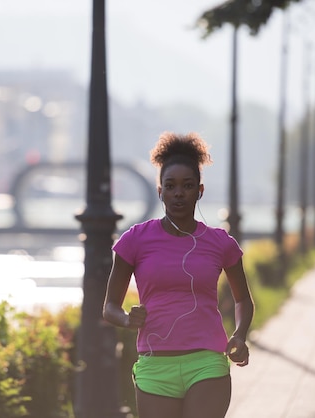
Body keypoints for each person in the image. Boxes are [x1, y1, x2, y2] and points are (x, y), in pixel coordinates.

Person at [103, 132, 254, 418]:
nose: (178, 193)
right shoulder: (135, 240)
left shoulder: (221, 243)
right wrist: (126, 318)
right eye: (170, 186)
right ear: (160, 192)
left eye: (187, 186)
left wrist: (239, 334)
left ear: (200, 190)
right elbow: (109, 306)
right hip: (154, 366)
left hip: (207, 362)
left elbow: (242, 299)